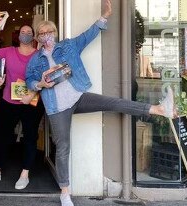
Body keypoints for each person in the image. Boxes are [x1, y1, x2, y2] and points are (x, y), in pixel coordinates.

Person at [25, 1, 176, 206]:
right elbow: (29, 81)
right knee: (62, 147)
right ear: (38, 37)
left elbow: (89, 35)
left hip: (78, 96)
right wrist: (40, 83)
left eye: (49, 31)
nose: (46, 35)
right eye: (42, 33)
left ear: (55, 32)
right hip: (56, 107)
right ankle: (65, 192)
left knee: (114, 102)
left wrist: (104, 16)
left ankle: (159, 109)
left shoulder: (68, 45)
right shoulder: (35, 60)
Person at [0, 23, 44, 190]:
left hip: (31, 101)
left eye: (29, 32)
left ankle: (25, 174)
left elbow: (46, 77)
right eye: (22, 32)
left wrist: (31, 93)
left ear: (34, 35)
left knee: (30, 138)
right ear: (18, 35)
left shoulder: (39, 55)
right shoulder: (9, 51)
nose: (25, 34)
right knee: (1, 137)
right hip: (8, 101)